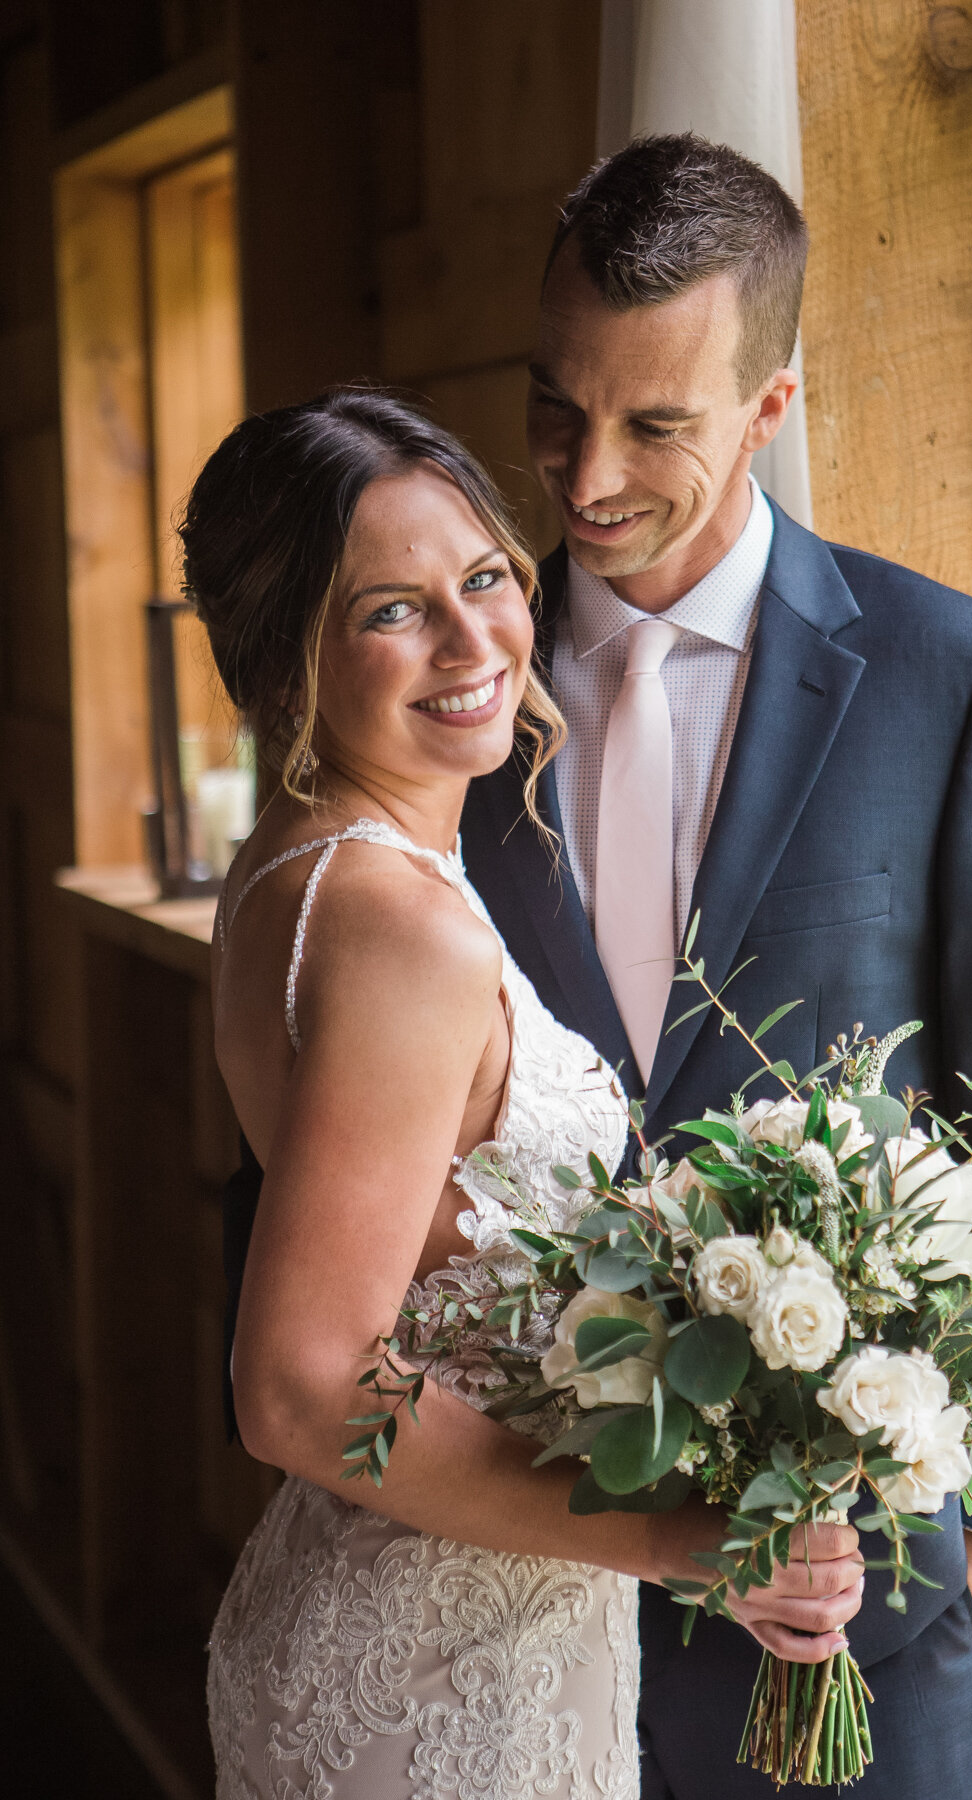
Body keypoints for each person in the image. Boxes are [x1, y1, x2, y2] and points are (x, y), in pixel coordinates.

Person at [455, 135, 972, 1797]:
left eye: (654, 424)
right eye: (555, 404)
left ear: (770, 406)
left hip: (848, 1628)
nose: (584, 475)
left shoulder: (955, 680)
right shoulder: (443, 709)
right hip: (512, 1603)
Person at [191, 390, 865, 1800]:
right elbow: (304, 1387)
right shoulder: (402, 929)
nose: (473, 639)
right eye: (391, 611)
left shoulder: (295, 866)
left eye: (485, 577)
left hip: (399, 1607)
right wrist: (682, 1540)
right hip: (444, 1672)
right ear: (285, 656)